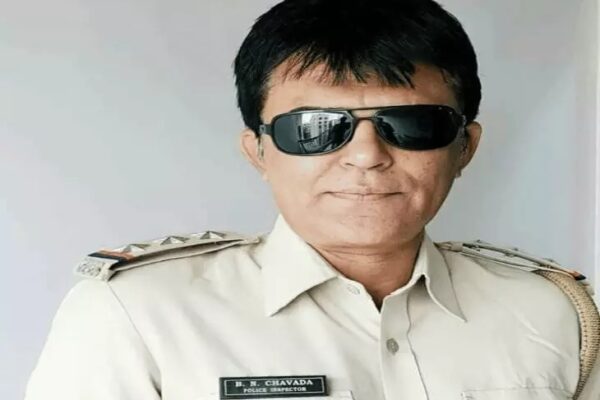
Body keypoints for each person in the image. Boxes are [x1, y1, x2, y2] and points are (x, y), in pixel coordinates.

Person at [24, 0, 600, 399]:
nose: (366, 155)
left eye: (412, 124)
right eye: (315, 128)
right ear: (258, 151)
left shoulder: (554, 314)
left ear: (465, 146)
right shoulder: (137, 315)